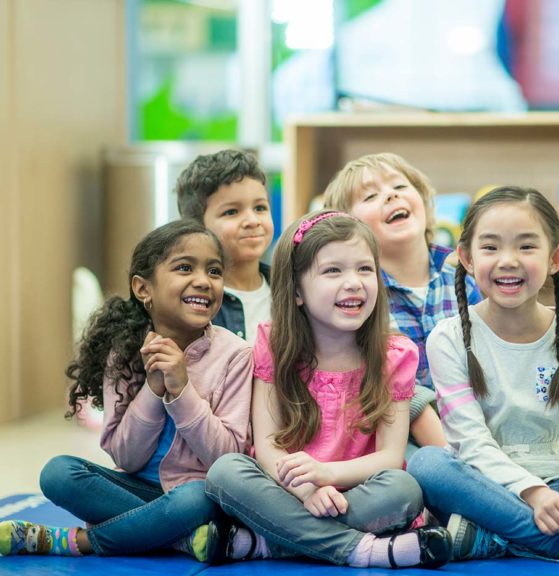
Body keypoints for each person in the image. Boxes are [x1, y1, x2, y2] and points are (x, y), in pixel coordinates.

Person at [204, 210, 452, 569]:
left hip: (359, 495)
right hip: (288, 490)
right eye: (333, 271)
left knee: (404, 489)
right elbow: (269, 447)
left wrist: (327, 475)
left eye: (365, 269)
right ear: (298, 291)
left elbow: (388, 457)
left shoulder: (395, 355)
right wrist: (306, 489)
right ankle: (362, 550)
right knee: (225, 472)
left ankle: (272, 543)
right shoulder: (272, 343)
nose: (353, 282)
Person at [408, 186, 559, 563]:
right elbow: (470, 443)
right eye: (491, 247)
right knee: (427, 465)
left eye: (527, 247)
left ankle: (499, 538)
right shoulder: (447, 339)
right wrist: (533, 493)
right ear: (466, 258)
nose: (508, 261)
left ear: (556, 258)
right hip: (487, 488)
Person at [0, 220, 253, 560]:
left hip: (198, 496)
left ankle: (73, 542)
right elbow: (126, 457)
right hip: (138, 492)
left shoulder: (236, 355)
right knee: (58, 473)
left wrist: (181, 392)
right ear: (142, 288)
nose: (203, 281)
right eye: (184, 267)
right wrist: (153, 388)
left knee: (196, 497)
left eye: (214, 271)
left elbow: (227, 460)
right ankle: (178, 538)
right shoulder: (124, 351)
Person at [323, 152, 482, 451]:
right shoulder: (358, 299)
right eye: (371, 195)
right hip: (397, 433)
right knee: (422, 470)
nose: (391, 194)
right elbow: (392, 392)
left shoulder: (465, 280)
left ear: (423, 200)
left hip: (474, 424)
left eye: (399, 185)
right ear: (346, 228)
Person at [176, 149, 274, 343]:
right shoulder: (192, 300)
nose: (252, 220)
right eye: (232, 212)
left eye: (260, 208)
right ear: (197, 227)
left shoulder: (290, 290)